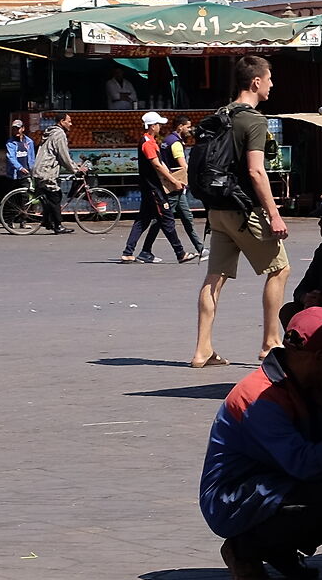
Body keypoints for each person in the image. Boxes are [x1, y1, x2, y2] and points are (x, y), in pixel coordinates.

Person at [201, 306, 322, 580]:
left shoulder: (309, 383)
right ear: (321, 357)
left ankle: (280, 548)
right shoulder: (258, 398)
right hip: (232, 498)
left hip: (274, 480)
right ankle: (244, 549)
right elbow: (305, 464)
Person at [192, 56, 291, 371]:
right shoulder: (254, 121)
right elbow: (256, 171)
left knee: (215, 277)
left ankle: (202, 350)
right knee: (280, 269)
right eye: (270, 79)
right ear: (256, 82)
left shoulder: (220, 115)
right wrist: (274, 214)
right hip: (243, 210)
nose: (273, 85)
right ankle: (271, 341)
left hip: (216, 210)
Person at [120, 111, 194, 264]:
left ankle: (129, 252)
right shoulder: (147, 143)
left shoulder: (152, 142)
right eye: (158, 124)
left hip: (150, 188)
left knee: (143, 220)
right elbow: (157, 166)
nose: (160, 127)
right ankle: (180, 253)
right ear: (152, 126)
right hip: (154, 189)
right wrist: (173, 181)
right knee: (167, 219)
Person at [161, 121, 205, 259]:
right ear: (180, 126)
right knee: (161, 219)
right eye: (187, 126)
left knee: (187, 217)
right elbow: (183, 165)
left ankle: (200, 248)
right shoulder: (175, 143)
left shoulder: (167, 140)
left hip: (176, 187)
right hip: (175, 186)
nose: (189, 129)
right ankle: (144, 250)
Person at [31, 112, 78, 234]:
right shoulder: (59, 134)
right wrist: (75, 169)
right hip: (46, 170)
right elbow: (64, 155)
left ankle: (48, 221)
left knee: (50, 197)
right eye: (69, 121)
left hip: (40, 168)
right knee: (55, 195)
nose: (71, 124)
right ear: (62, 121)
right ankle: (58, 225)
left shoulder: (50, 132)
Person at [3, 119, 35, 190]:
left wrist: (32, 170)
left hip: (25, 175)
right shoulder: (10, 143)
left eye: (18, 128)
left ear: (23, 129)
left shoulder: (29, 142)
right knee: (13, 197)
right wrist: (20, 168)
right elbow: (11, 157)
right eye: (14, 129)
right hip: (13, 175)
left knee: (25, 197)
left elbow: (32, 158)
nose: (16, 131)